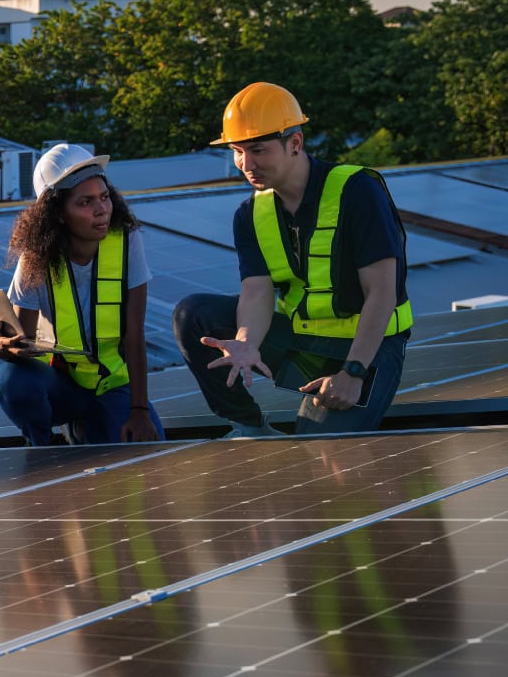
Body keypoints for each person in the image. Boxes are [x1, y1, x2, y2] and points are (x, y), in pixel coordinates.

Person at [173, 81, 413, 436]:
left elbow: (382, 291)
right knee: (193, 314)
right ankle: (249, 426)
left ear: (295, 144)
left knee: (320, 452)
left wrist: (353, 374)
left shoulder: (357, 191)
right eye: (238, 151)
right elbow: (256, 293)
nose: (246, 163)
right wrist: (246, 343)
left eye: (258, 150)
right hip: (303, 340)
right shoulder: (251, 214)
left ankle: (340, 394)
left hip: (369, 348)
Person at [0, 143, 164, 448]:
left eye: (104, 197)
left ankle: (87, 426)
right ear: (57, 214)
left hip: (111, 384)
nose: (102, 210)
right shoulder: (36, 258)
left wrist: (139, 410)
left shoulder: (127, 242)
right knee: (11, 379)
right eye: (85, 202)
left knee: (145, 453)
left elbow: (134, 335)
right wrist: (2, 347)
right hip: (59, 384)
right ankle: (42, 447)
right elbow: (23, 340)